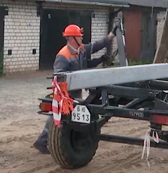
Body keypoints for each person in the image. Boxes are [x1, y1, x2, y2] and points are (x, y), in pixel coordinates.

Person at [32, 24, 115, 154]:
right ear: (72, 39)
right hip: (66, 93)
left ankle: (53, 140)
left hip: (76, 91)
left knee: (68, 116)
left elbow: (94, 48)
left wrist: (109, 39)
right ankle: (43, 141)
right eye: (79, 37)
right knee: (58, 115)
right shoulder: (63, 55)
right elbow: (59, 76)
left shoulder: (80, 50)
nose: (82, 39)